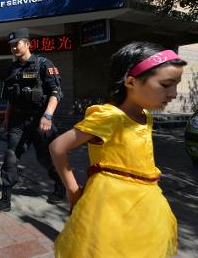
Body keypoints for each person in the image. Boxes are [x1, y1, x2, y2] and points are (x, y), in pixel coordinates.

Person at [50, 42, 184, 257]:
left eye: (175, 85)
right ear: (131, 81)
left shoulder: (145, 116)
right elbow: (58, 147)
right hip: (110, 204)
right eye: (165, 85)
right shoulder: (109, 117)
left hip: (147, 202)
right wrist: (73, 191)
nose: (174, 93)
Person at [0, 28, 65, 214]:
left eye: (17, 44)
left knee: (45, 158)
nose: (13, 48)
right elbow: (11, 98)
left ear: (28, 44)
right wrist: (6, 119)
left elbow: (56, 92)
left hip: (40, 120)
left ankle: (59, 185)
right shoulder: (13, 68)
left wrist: (48, 116)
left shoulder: (43, 64)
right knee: (10, 157)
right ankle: (5, 200)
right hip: (18, 121)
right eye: (11, 45)